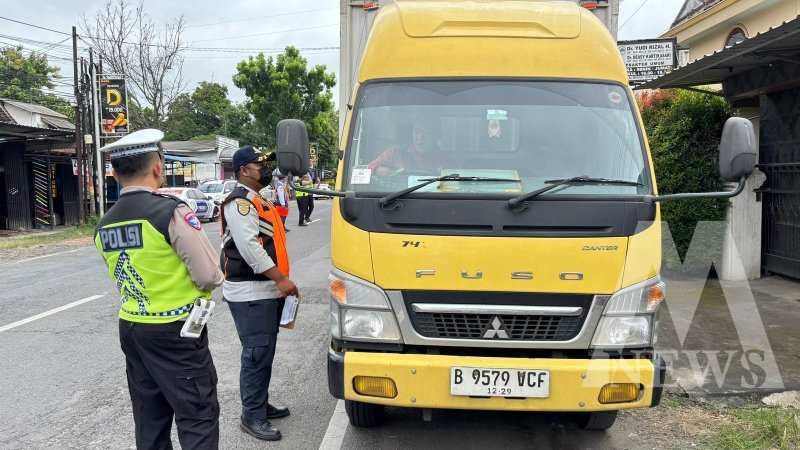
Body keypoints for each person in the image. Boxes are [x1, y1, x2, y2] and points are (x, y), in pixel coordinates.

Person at [94, 129, 224, 450]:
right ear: (157, 167)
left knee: (149, 418)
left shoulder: (104, 223)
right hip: (175, 330)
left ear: (115, 174)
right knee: (197, 415)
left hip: (132, 327)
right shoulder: (170, 212)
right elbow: (209, 275)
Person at [220, 146, 300, 442]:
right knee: (255, 353)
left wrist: (279, 283)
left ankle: (259, 403)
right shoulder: (239, 202)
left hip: (264, 290)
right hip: (250, 291)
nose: (265, 169)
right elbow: (250, 248)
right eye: (259, 164)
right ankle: (251, 415)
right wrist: (281, 279)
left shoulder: (258, 198)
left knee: (264, 351)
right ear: (243, 170)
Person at [368, 123, 451, 176]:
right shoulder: (395, 152)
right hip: (400, 197)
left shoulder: (444, 158)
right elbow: (369, 168)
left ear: (435, 136)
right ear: (412, 133)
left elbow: (455, 180)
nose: (420, 137)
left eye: (426, 132)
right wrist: (379, 170)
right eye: (417, 132)